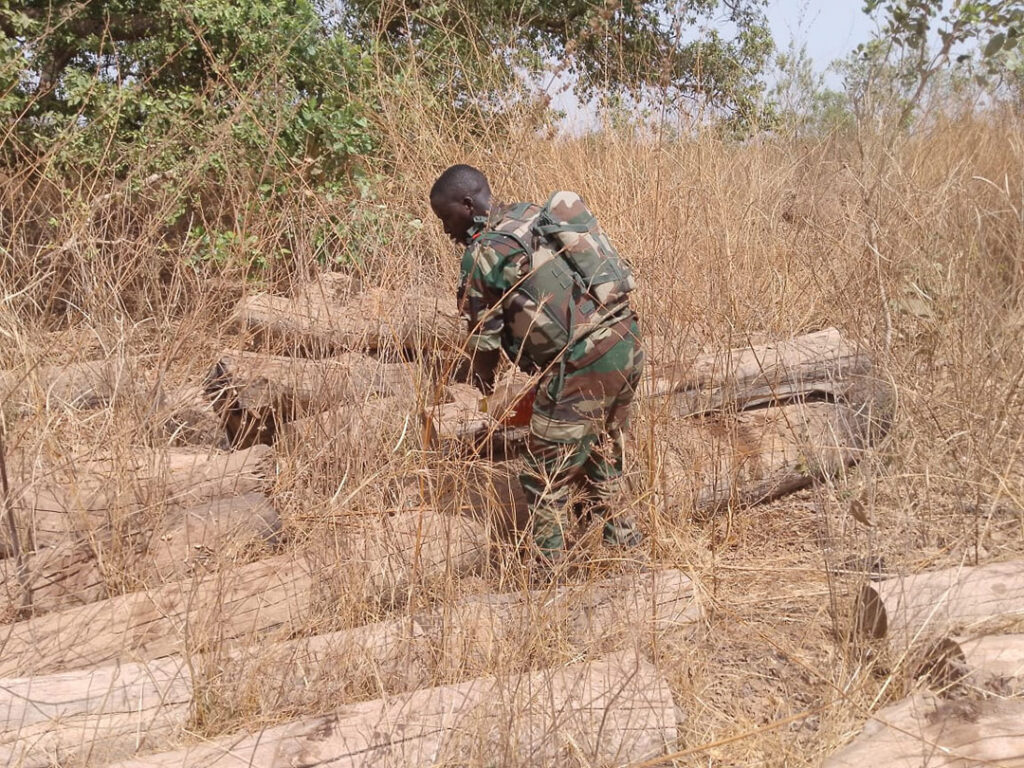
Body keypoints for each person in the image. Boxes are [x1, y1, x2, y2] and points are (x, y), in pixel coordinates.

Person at [429, 164, 645, 566]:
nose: (445, 230)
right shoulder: (532, 215)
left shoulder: (482, 253)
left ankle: (548, 578)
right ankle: (627, 553)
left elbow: (484, 345)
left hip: (583, 364)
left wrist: (472, 388)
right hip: (626, 340)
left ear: (468, 203)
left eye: (446, 217)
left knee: (543, 477)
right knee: (601, 453)